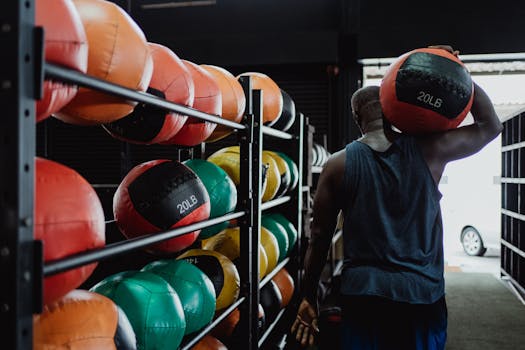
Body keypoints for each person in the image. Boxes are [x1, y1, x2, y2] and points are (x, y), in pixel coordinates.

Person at [291, 45, 502, 349]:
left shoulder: (338, 164)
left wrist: (308, 296)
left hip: (364, 295)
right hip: (421, 296)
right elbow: (490, 125)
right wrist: (454, 69)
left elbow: (319, 237)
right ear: (392, 108)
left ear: (356, 117)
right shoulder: (431, 151)